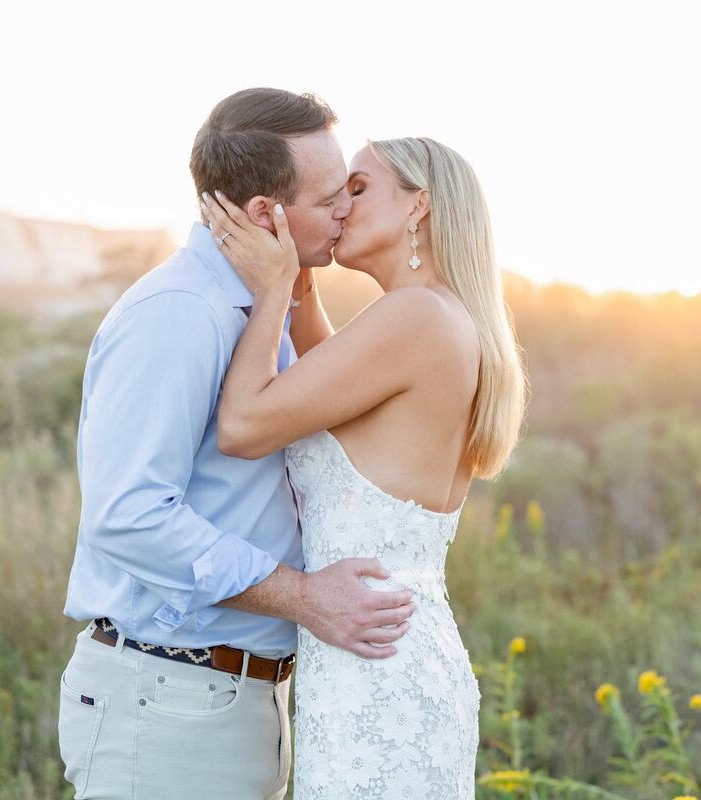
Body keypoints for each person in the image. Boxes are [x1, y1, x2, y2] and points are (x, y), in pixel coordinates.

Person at [57, 88, 417, 800]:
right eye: (329, 198)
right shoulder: (182, 315)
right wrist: (305, 598)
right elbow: (127, 513)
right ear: (264, 215)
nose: (346, 208)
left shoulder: (261, 309)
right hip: (167, 703)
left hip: (228, 702)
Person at [201, 134, 526, 798]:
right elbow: (331, 390)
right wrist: (301, 276)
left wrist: (270, 292)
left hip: (377, 668)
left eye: (357, 187)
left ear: (419, 206)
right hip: (379, 652)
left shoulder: (413, 317)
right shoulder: (433, 316)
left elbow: (242, 426)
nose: (339, 205)